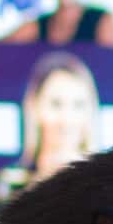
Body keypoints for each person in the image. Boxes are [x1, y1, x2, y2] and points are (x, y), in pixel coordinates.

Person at [11, 52, 99, 182]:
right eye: (56, 104)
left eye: (78, 105)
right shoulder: (12, 182)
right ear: (34, 107)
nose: (66, 119)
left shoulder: (107, 185)